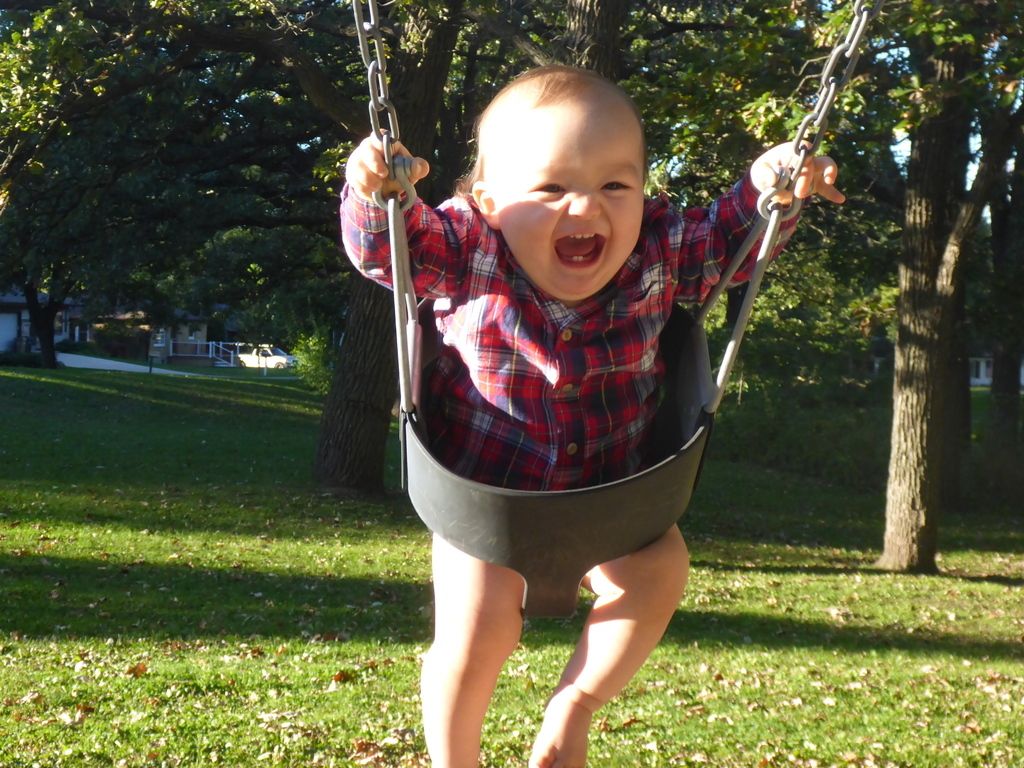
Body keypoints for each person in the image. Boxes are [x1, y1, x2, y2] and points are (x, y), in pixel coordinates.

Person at [342, 65, 843, 768]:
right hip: (485, 501)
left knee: (660, 569)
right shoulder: (468, 248)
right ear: (489, 202)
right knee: (476, 634)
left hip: (613, 496)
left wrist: (772, 188)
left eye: (615, 185)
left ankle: (573, 708)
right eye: (551, 188)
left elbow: (732, 246)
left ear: (643, 193)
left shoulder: (659, 251)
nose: (586, 207)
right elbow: (385, 250)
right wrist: (374, 192)